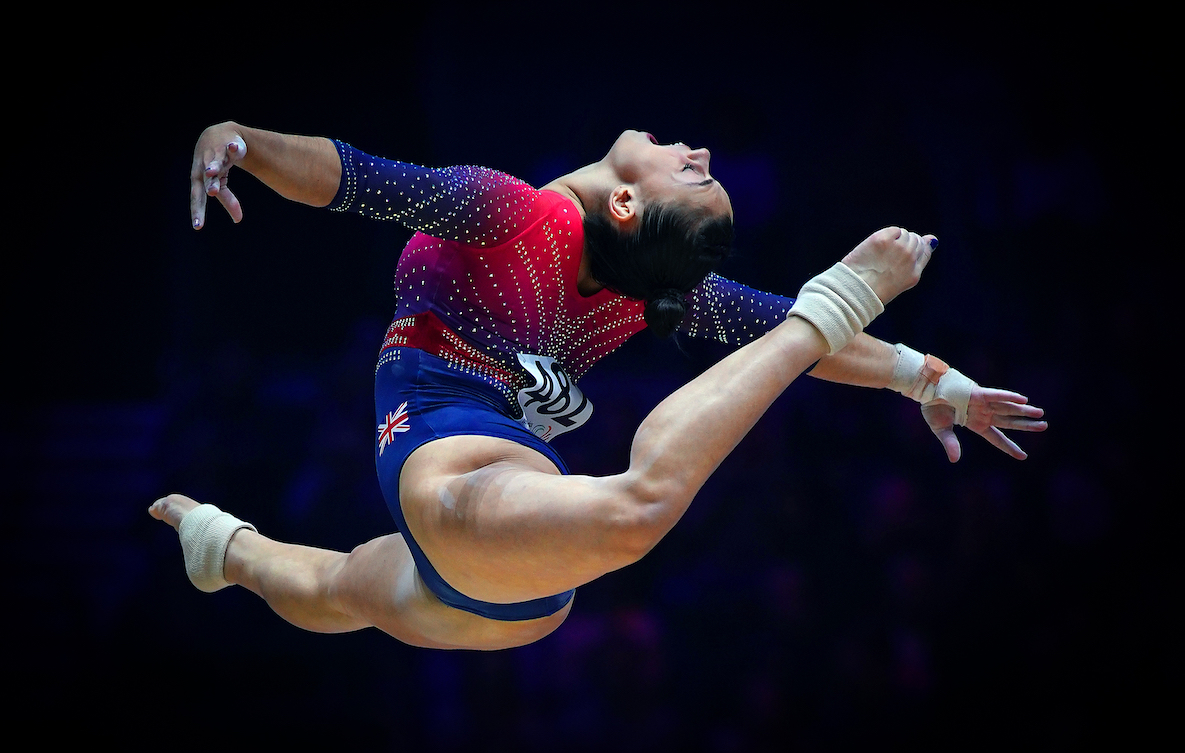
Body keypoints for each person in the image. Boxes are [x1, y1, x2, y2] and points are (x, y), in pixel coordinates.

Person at [150, 122, 1046, 650]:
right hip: (515, 564)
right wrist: (934, 380)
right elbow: (792, 338)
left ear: (626, 204)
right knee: (339, 587)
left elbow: (354, 181)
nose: (692, 146)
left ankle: (225, 551)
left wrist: (247, 142)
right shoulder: (649, 292)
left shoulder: (511, 212)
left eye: (689, 169)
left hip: (461, 483)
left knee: (630, 511)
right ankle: (222, 545)